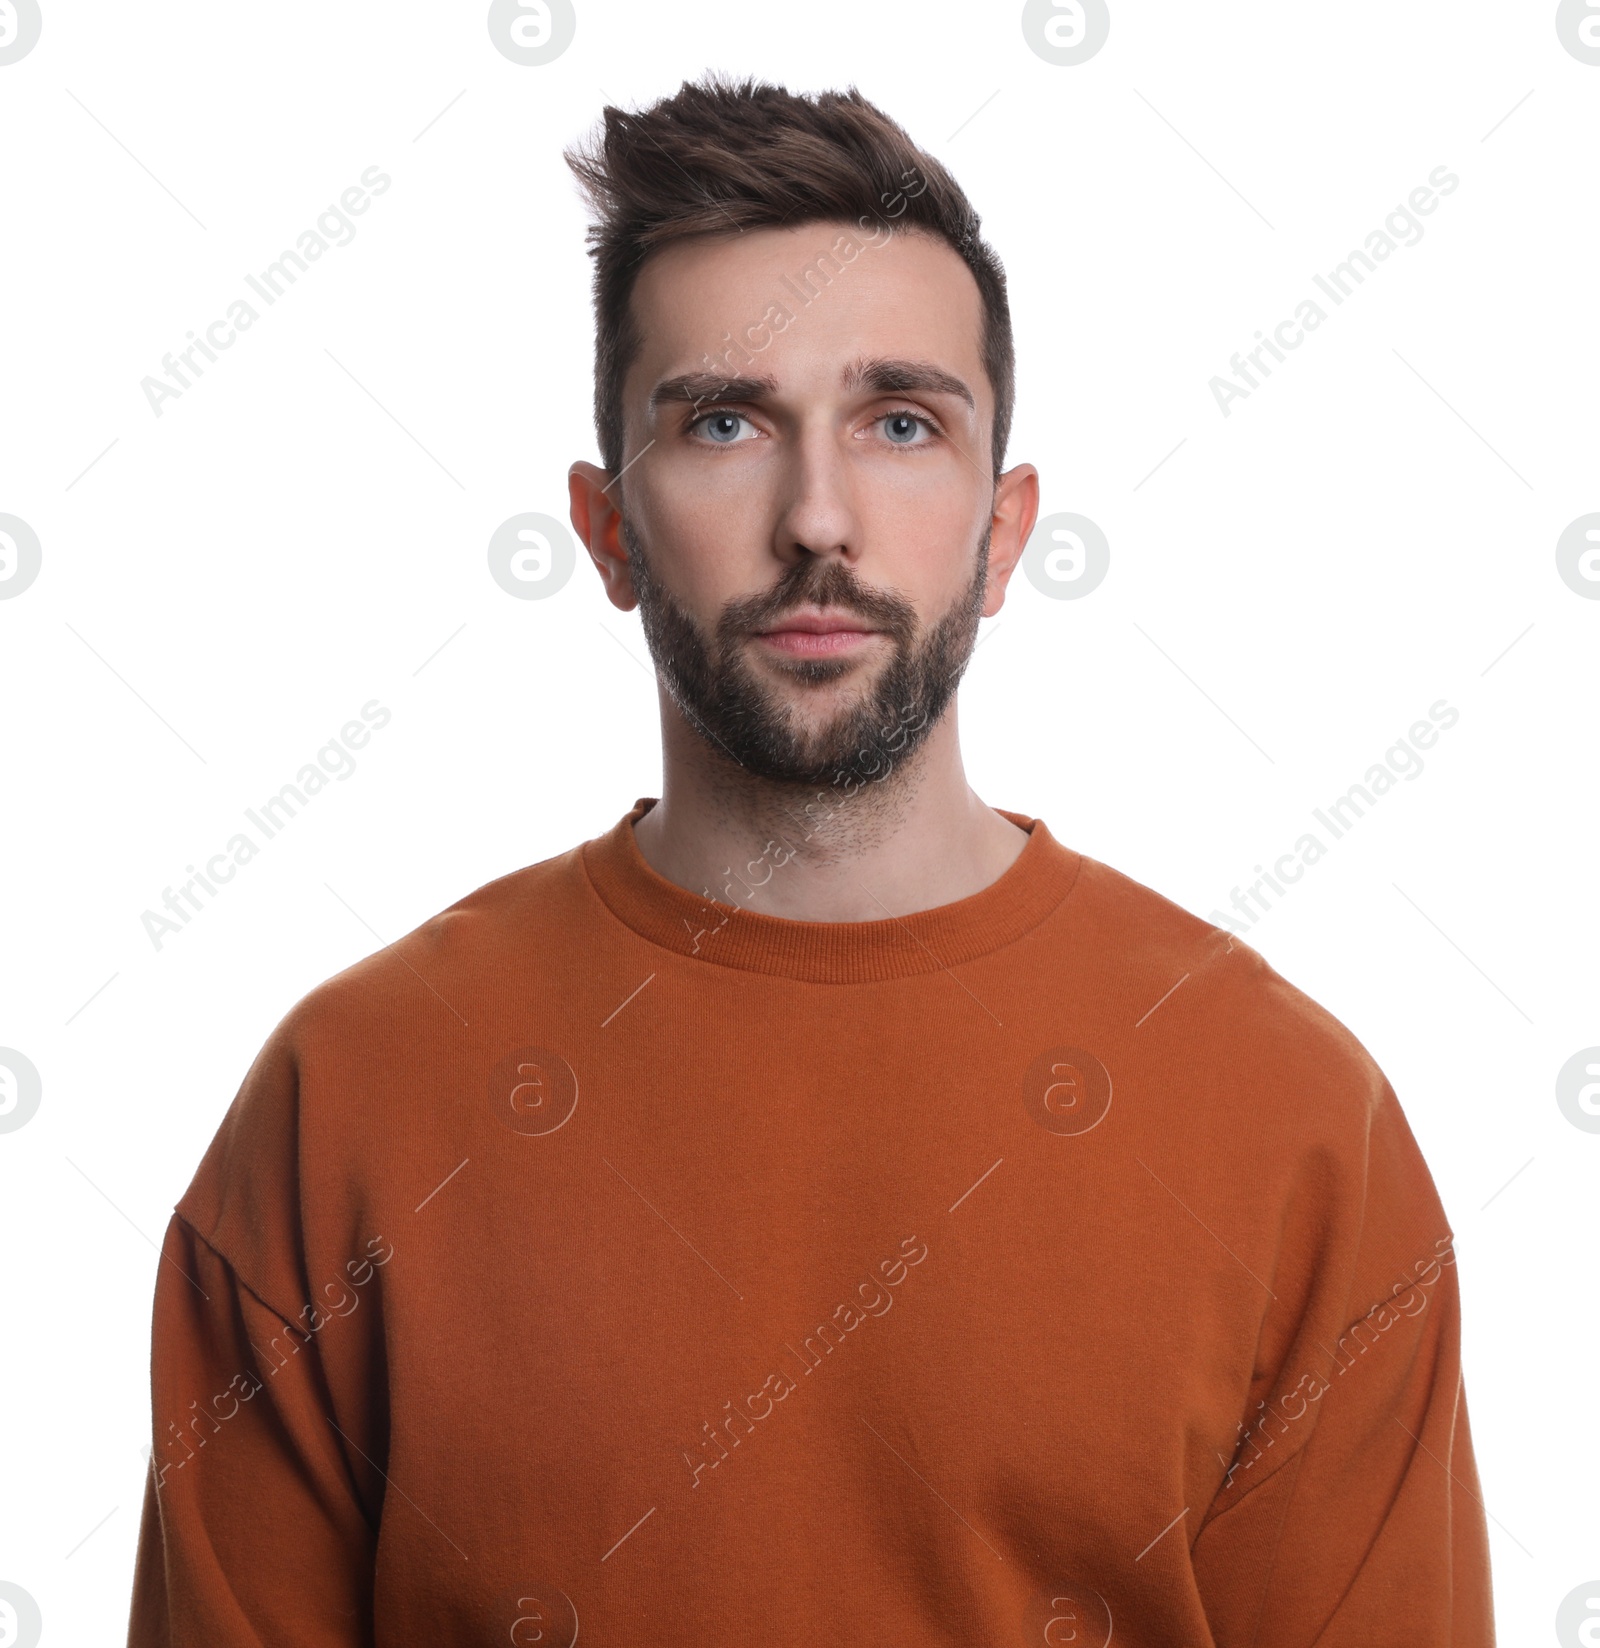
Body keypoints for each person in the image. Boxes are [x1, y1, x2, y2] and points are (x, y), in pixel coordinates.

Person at [125, 74, 1495, 1646]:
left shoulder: (1290, 1118)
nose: (819, 517)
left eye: (900, 421)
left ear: (1002, 527)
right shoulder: (349, 1103)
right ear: (608, 528)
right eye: (725, 422)